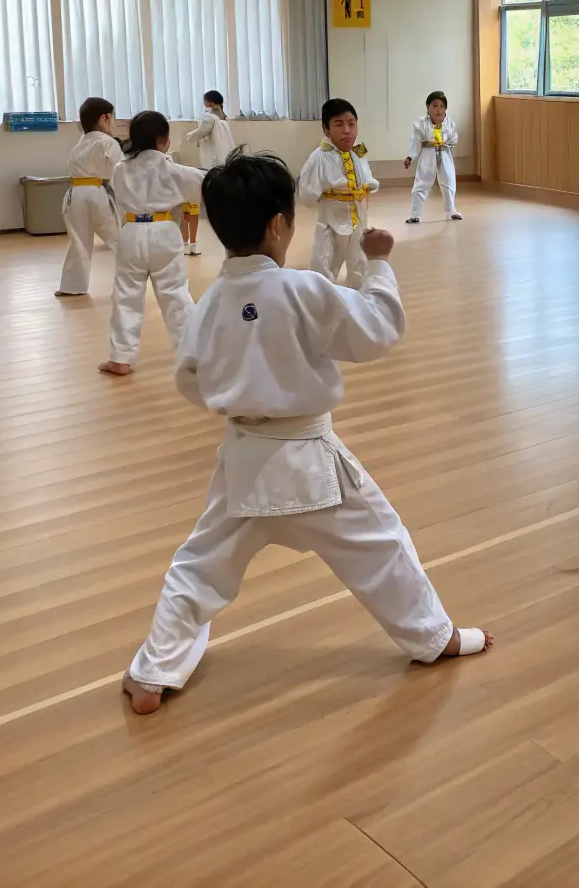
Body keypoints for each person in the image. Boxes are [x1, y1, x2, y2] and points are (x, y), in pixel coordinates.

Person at [122, 151, 492, 714]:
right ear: (279, 224)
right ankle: (433, 637)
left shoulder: (211, 304)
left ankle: (153, 671)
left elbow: (189, 379)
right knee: (382, 547)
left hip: (243, 458)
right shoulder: (302, 289)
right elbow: (376, 330)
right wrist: (380, 265)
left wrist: (239, 402)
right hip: (311, 457)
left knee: (200, 565)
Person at [99, 111, 206, 378]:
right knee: (175, 294)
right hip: (164, 232)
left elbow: (118, 194)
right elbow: (204, 183)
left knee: (126, 295)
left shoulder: (120, 169)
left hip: (131, 232)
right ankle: (193, 356)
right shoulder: (172, 168)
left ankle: (121, 358)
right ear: (163, 140)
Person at [299, 98, 379, 286]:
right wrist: (328, 193)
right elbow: (307, 192)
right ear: (326, 129)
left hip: (359, 219)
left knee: (359, 260)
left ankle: (358, 294)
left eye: (351, 124)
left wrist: (369, 184)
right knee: (325, 262)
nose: (347, 130)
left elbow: (366, 177)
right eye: (339, 124)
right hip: (331, 222)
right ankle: (321, 299)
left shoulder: (358, 154)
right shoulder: (319, 158)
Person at [55, 96, 123, 297]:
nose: (115, 123)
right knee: (118, 239)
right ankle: (130, 282)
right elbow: (119, 172)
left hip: (74, 195)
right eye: (113, 118)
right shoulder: (108, 142)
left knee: (79, 241)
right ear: (104, 119)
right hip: (97, 194)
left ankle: (71, 286)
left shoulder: (80, 144)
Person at [179, 90, 236, 257]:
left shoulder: (208, 116)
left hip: (213, 159)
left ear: (208, 102)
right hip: (223, 155)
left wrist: (188, 136)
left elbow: (202, 131)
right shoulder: (222, 117)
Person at [404, 90, 462, 223]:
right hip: (427, 156)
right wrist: (410, 157)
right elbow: (415, 141)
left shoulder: (449, 124)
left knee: (449, 181)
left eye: (442, 106)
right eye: (435, 106)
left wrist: (445, 144)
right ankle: (415, 214)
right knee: (422, 183)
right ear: (428, 108)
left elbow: (454, 139)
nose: (438, 110)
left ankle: (451, 211)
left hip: (444, 154)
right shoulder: (421, 124)